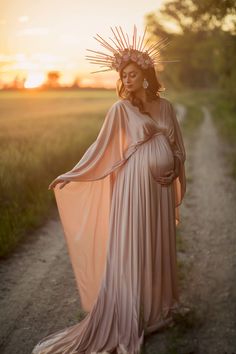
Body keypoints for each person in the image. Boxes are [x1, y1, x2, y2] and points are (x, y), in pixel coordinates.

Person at [32, 25, 186, 354]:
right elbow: (99, 150)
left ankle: (156, 308)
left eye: (132, 74)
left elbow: (177, 147)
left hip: (158, 190)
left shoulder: (167, 108)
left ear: (145, 75)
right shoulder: (119, 110)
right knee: (133, 245)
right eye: (123, 75)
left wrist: (173, 168)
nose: (126, 80)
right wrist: (72, 174)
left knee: (155, 243)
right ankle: (129, 311)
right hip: (132, 189)